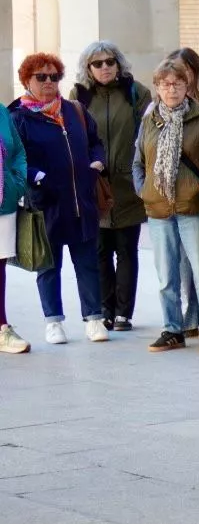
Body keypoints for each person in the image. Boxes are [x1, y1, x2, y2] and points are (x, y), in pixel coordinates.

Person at [10, 53, 108, 344]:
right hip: (46, 203)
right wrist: (38, 177)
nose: (49, 82)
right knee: (49, 266)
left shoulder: (74, 110)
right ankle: (53, 322)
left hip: (82, 201)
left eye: (54, 76)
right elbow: (16, 159)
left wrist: (97, 164)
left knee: (88, 263)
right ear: (27, 80)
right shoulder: (19, 117)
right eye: (41, 77)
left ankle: (94, 319)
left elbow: (95, 143)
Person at [136, 59, 199, 355]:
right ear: (157, 88)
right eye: (165, 84)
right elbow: (138, 161)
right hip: (158, 209)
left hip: (193, 207)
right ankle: (172, 329)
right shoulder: (150, 120)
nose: (171, 89)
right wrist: (144, 191)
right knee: (166, 277)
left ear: (188, 86)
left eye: (177, 83)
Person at [73, 42, 150, 332]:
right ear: (88, 69)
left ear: (118, 64)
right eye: (98, 63)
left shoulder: (135, 92)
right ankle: (105, 309)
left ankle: (123, 313)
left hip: (128, 185)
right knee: (100, 250)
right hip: (94, 185)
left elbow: (148, 133)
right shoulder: (78, 96)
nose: (105, 67)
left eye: (110, 61)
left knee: (127, 250)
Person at [0, 103, 29, 353]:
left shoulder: (0, 111)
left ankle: (1, 328)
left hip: (2, 202)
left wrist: (16, 183)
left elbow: (18, 152)